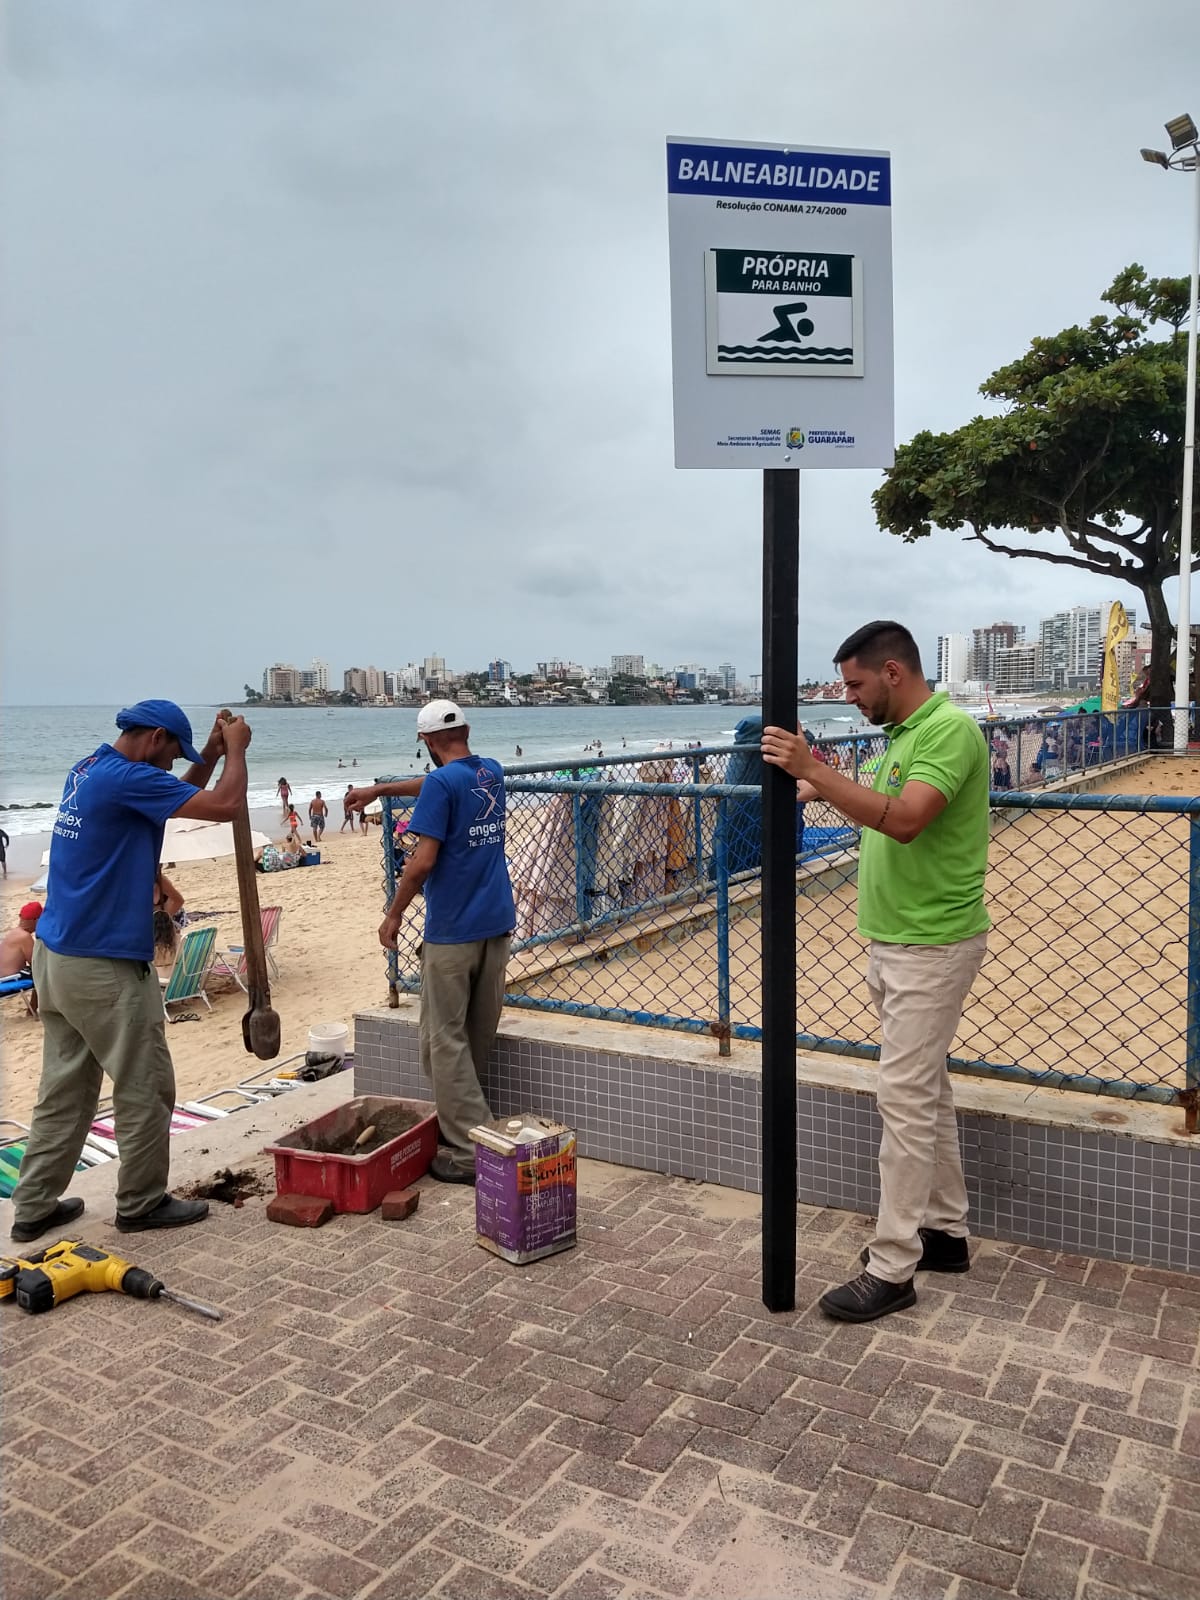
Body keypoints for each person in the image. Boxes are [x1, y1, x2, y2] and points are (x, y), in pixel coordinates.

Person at [762, 621, 990, 1325]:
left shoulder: (947, 732)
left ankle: (894, 1265)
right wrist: (820, 788)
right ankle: (945, 1234)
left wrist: (817, 772)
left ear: (894, 673)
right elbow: (880, 804)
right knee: (926, 1091)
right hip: (899, 941)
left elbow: (907, 820)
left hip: (932, 943)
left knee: (902, 1099)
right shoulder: (903, 740)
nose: (850, 698)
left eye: (856, 685)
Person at [8, 701, 252, 1243]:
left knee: (64, 1090)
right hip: (105, 963)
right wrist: (236, 749)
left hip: (57, 955)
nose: (170, 767)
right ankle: (141, 1202)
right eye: (172, 755)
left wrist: (208, 755)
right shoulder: (128, 779)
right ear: (155, 737)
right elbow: (228, 806)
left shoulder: (91, 769)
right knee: (145, 1085)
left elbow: (171, 802)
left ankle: (33, 1208)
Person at [346, 699, 515, 1183]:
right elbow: (441, 784)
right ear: (467, 728)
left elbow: (421, 862)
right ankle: (469, 1131)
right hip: (496, 922)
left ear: (425, 741)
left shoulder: (445, 783)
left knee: (442, 1041)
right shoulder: (490, 772)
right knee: (474, 1036)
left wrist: (394, 914)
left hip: (455, 929)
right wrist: (382, 789)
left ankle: (470, 1153)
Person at [0, 901, 42, 978]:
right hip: (9, 980)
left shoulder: (14, 932)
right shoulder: (25, 937)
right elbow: (35, 964)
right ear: (36, 920)